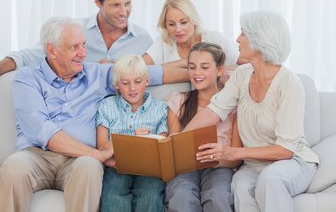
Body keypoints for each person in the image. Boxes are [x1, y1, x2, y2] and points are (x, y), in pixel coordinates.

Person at [0, 17, 166, 212]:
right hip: (38, 157)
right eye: (74, 47)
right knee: (14, 167)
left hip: (79, 160)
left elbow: (150, 74)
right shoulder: (27, 78)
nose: (84, 54)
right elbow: (41, 129)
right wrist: (98, 154)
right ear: (52, 50)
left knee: (89, 168)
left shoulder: (96, 73)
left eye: (84, 45)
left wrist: (197, 71)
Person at [185, 11, 319, 212]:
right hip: (253, 165)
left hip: (291, 161)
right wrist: (177, 138)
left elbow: (285, 150)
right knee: (239, 185)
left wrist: (232, 152)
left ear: (260, 41)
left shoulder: (289, 84)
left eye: (243, 34)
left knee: (270, 179)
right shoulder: (242, 74)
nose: (237, 39)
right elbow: (214, 110)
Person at [0, 0, 153, 116]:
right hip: (76, 119)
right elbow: (25, 57)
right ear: (97, 2)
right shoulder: (73, 31)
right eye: (115, 5)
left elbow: (150, 77)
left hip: (117, 121)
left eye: (127, 3)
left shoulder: (143, 40)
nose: (124, 11)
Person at [164, 42, 242, 212]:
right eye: (192, 67)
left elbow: (236, 157)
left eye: (204, 67)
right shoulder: (179, 102)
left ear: (219, 70)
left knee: (218, 196)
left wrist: (217, 158)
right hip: (185, 168)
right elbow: (173, 147)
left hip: (220, 167)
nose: (197, 73)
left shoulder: (234, 107)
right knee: (181, 195)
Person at [96, 55, 168, 212]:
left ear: (147, 81)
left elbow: (164, 146)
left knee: (151, 195)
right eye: (125, 83)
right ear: (116, 85)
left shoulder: (161, 108)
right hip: (116, 166)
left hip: (149, 169)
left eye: (138, 81)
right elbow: (102, 147)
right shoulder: (107, 106)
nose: (132, 88)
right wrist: (130, 140)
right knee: (113, 195)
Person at [143, 0, 245, 67]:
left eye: (183, 22)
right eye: (171, 24)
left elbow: (251, 62)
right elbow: (137, 68)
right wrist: (182, 63)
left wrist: (222, 70)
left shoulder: (214, 38)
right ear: (165, 25)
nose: (178, 29)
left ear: (193, 20)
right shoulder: (164, 43)